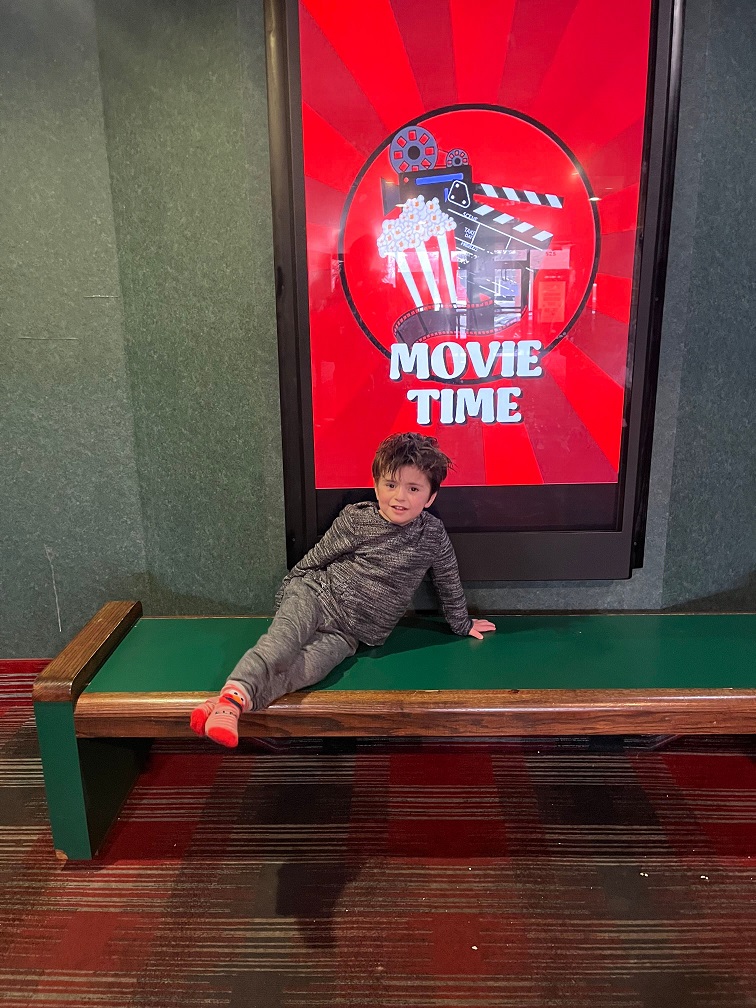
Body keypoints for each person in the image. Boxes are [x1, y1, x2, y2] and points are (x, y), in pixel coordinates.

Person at [190, 432, 495, 747]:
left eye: (413, 488)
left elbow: (447, 578)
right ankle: (235, 693)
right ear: (376, 485)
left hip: (350, 633)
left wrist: (462, 623)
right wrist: (288, 601)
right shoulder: (356, 520)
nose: (399, 497)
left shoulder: (432, 535)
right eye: (391, 485)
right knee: (281, 647)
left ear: (430, 497)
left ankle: (228, 704)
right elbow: (313, 561)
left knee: (309, 671)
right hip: (316, 596)